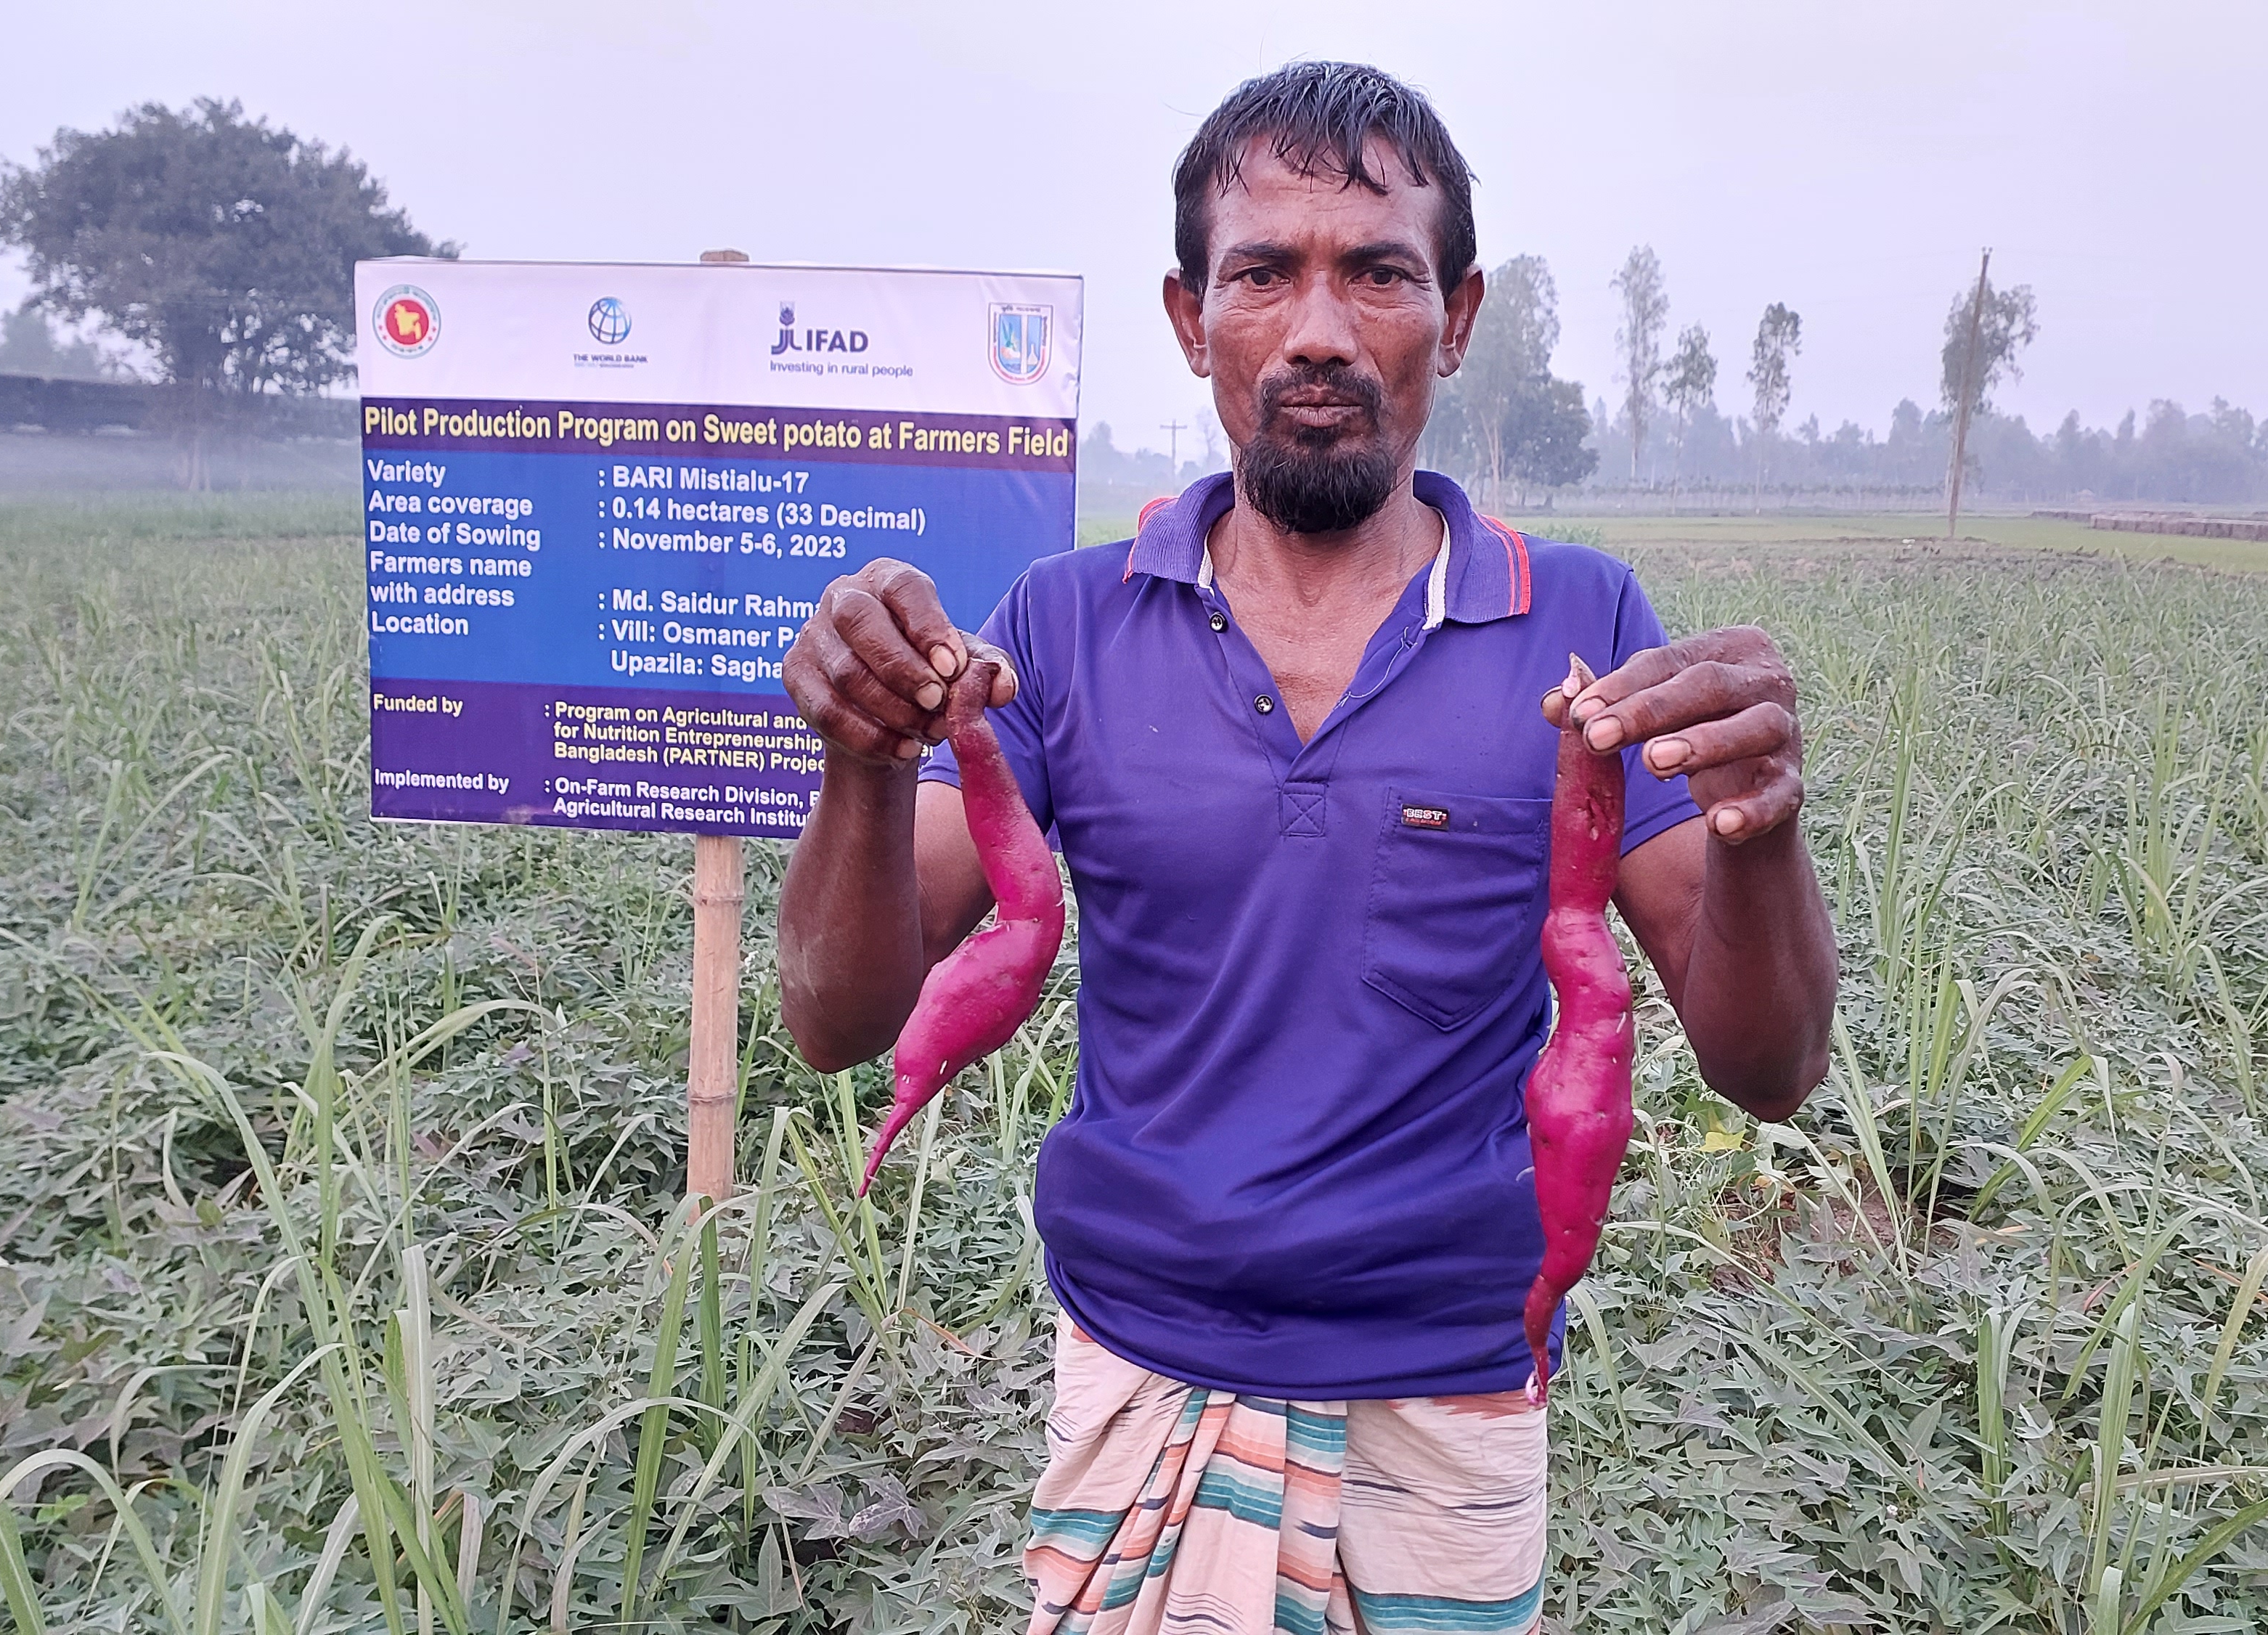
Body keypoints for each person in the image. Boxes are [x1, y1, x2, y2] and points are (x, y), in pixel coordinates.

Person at [777, 60, 1836, 1635]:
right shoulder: (1062, 628)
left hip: (1450, 1393)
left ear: (1455, 315)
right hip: (1137, 1360)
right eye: (1262, 272)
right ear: (1189, 316)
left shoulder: (1582, 622)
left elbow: (1767, 1067)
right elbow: (834, 1019)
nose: (1320, 330)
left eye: (1378, 272)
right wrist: (860, 762)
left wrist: (1758, 829)